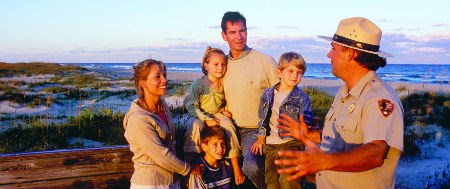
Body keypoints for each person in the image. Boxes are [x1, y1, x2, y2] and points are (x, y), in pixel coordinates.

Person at [274, 17, 404, 189]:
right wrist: (307, 135)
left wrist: (325, 161)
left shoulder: (377, 98)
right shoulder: (345, 92)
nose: (329, 54)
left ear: (350, 54)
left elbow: (375, 152)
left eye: (333, 48)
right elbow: (344, 138)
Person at [220, 11, 279, 189]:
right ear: (224, 35)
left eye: (242, 31)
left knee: (251, 167)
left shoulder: (265, 61)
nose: (239, 37)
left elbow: (283, 95)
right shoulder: (221, 65)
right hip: (229, 128)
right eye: (232, 32)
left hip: (256, 130)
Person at [123, 59, 191, 189]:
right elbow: (161, 155)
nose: (164, 80)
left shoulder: (162, 105)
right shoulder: (138, 119)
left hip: (171, 181)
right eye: (157, 77)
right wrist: (188, 170)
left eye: (164, 75)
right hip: (150, 184)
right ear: (143, 83)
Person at [183, 46, 245, 185]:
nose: (220, 68)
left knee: (228, 125)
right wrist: (206, 119)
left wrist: (226, 109)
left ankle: (235, 166)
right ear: (206, 65)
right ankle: (189, 168)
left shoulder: (224, 83)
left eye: (223, 64)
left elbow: (229, 99)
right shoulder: (198, 84)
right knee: (195, 127)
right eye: (215, 64)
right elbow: (191, 105)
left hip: (217, 113)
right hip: (198, 114)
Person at [251, 52, 313, 189]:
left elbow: (306, 123)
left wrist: (304, 130)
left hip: (291, 143)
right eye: (290, 71)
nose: (295, 76)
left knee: (289, 179)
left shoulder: (302, 98)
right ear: (279, 72)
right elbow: (262, 118)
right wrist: (261, 137)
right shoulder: (267, 94)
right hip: (271, 144)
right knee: (271, 181)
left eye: (299, 72)